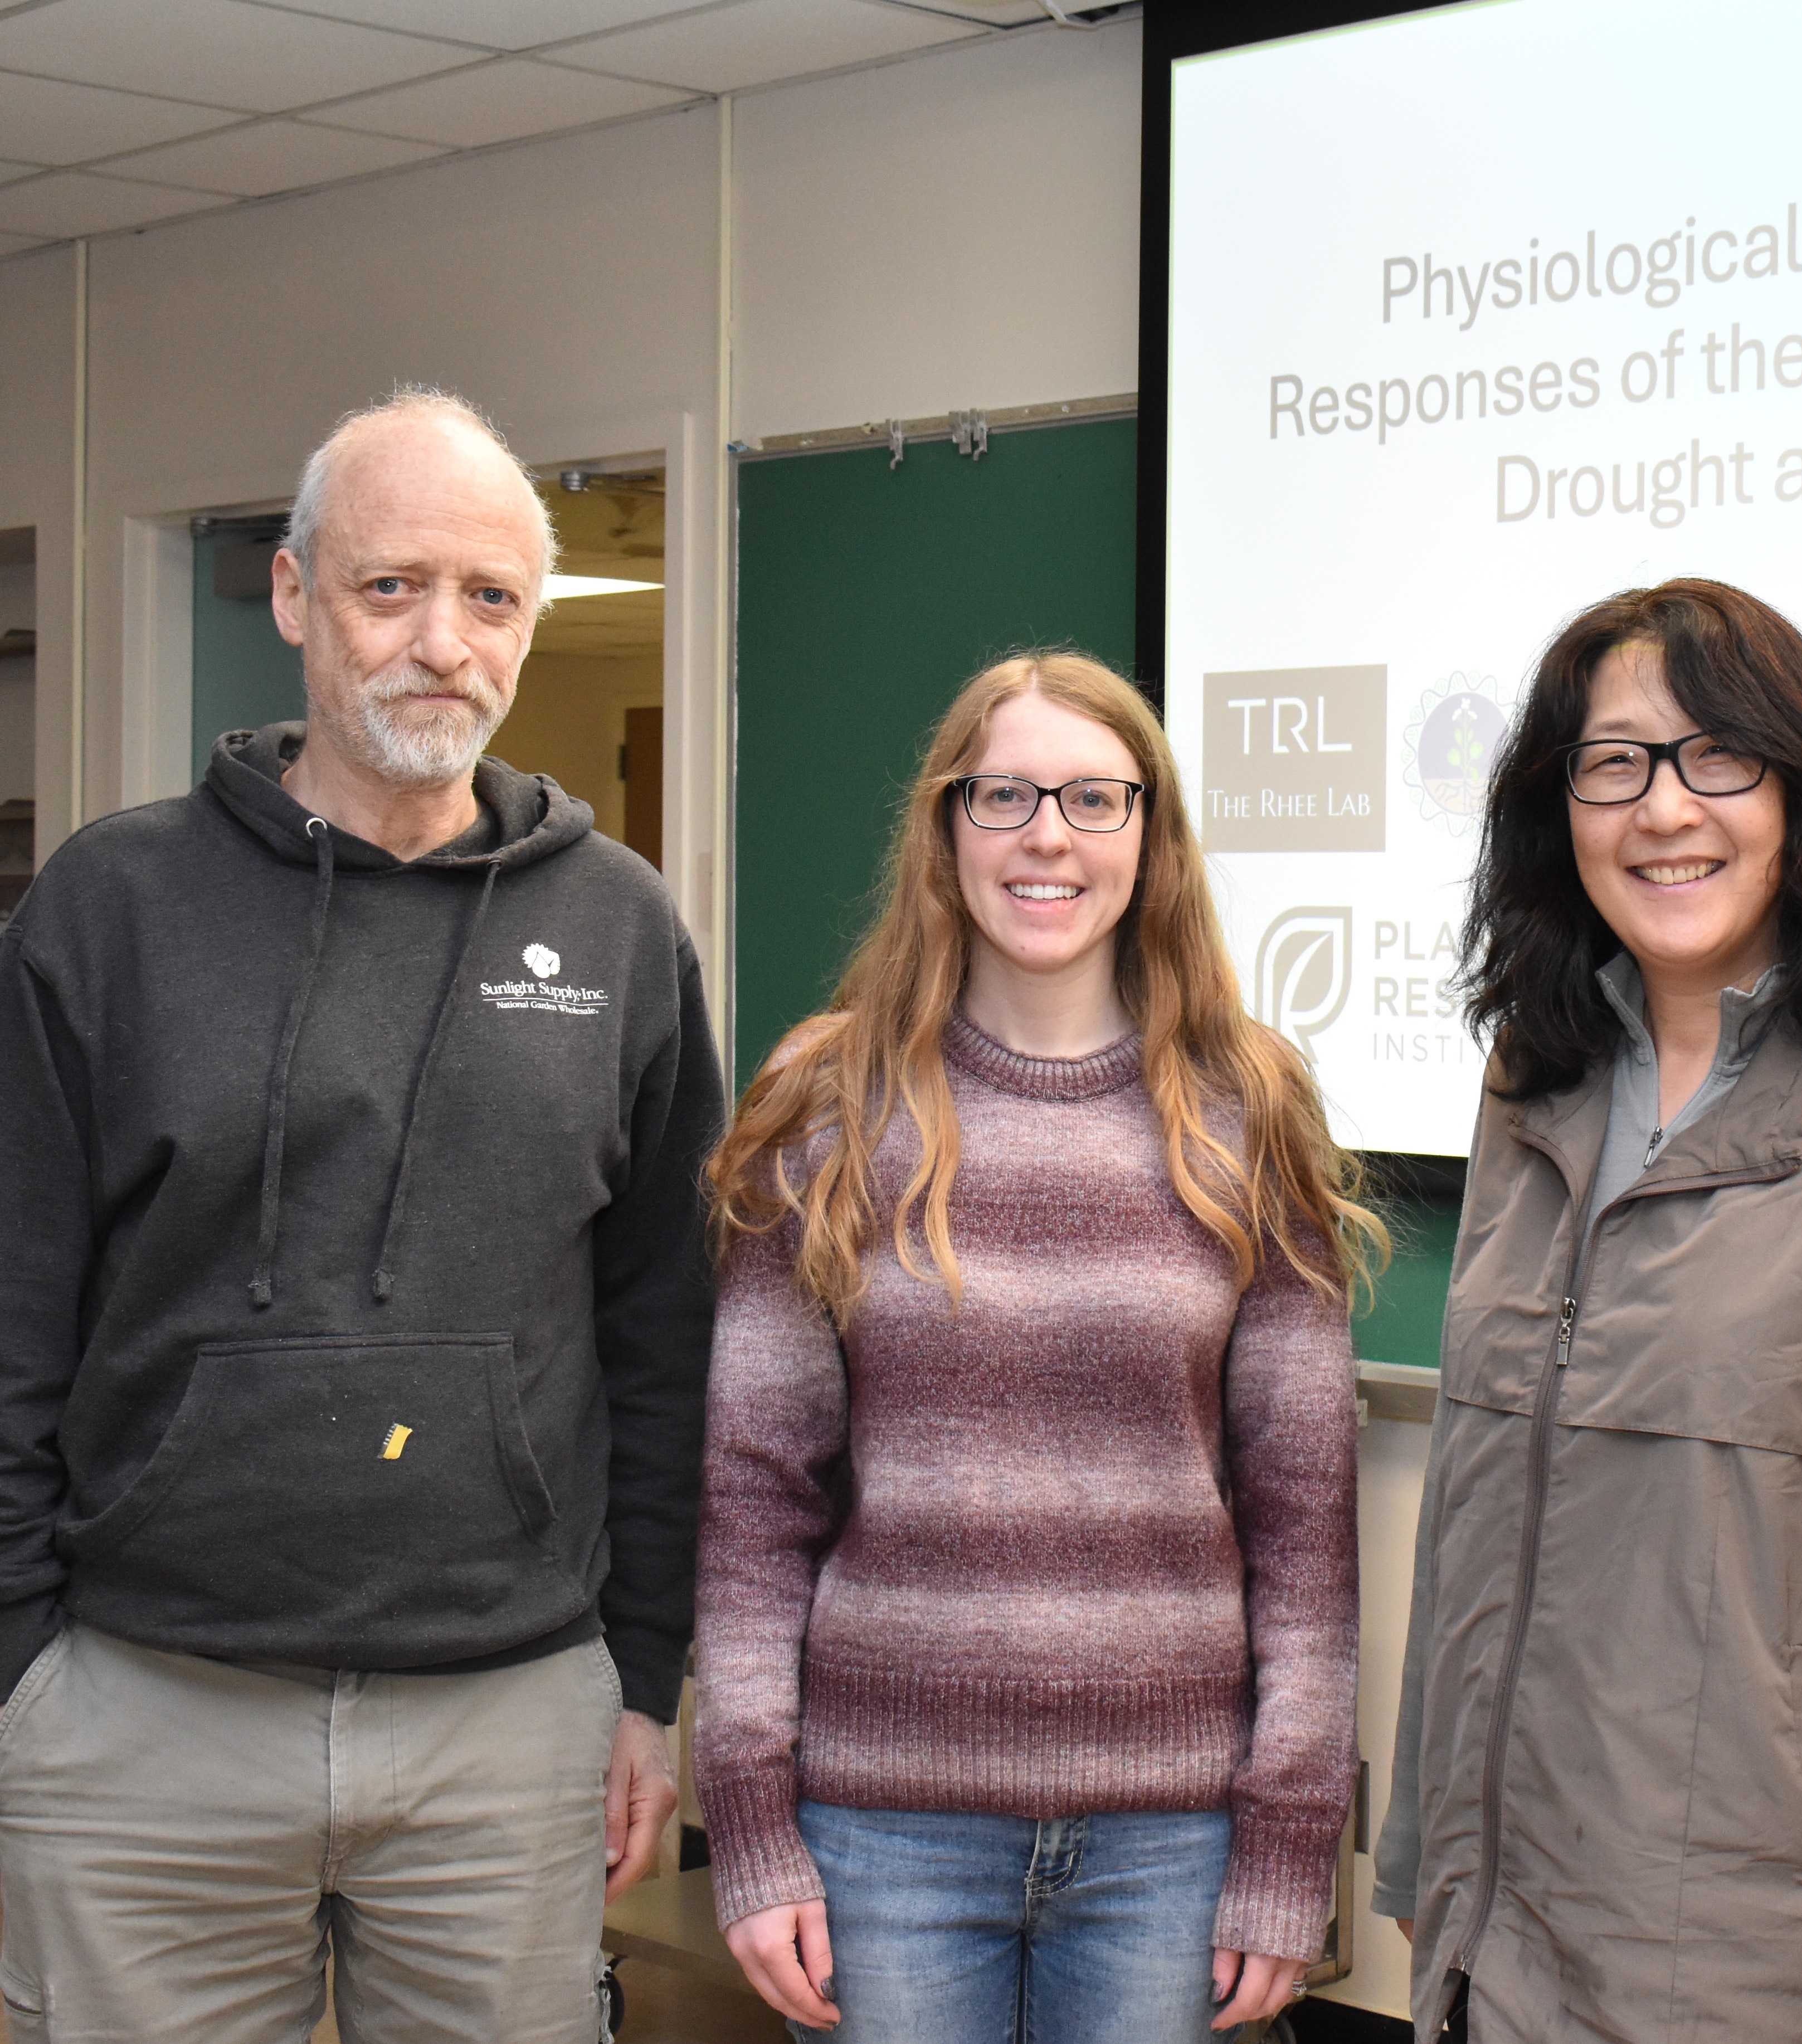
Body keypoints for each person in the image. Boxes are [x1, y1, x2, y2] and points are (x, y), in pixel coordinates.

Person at [0, 387, 723, 2042]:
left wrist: (637, 1677)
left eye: (489, 598)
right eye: (391, 587)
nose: (440, 643)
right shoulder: (111, 908)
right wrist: (24, 1673)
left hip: (506, 1723)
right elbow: (13, 1308)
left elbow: (666, 1334)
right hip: (144, 1712)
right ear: (292, 594)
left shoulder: (619, 933)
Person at [1372, 579, 1802, 2043]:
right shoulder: (1524, 1095)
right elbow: (1467, 1512)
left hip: (1743, 1975)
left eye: (1713, 755)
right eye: (1612, 762)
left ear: (1800, 793)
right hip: (1490, 1946)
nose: (1661, 808)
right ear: (1557, 809)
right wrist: (1422, 1850)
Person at [691, 651, 1374, 2042]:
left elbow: (1306, 1530)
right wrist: (752, 1822)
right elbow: (753, 1503)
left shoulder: (1248, 1106)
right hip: (882, 1834)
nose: (1047, 834)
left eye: (1093, 798)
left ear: (1151, 836)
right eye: (1003, 795)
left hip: (1168, 1844)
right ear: (945, 830)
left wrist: (1287, 1843)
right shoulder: (825, 1098)